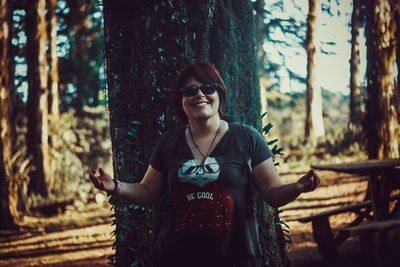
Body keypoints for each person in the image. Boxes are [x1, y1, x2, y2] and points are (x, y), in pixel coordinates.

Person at [89, 61, 320, 267]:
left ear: (219, 95)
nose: (199, 94)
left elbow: (272, 193)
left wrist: (296, 187)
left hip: (237, 258)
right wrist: (116, 186)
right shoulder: (169, 143)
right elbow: (147, 190)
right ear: (181, 102)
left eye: (208, 88)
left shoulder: (247, 138)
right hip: (176, 258)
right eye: (190, 91)